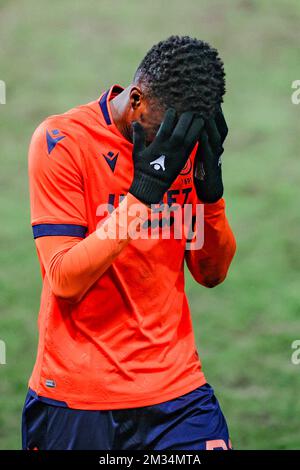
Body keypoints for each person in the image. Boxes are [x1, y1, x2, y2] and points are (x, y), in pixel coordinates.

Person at [22, 35, 236, 450]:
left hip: (178, 394)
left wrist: (211, 198)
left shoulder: (184, 146)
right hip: (78, 398)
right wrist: (144, 193)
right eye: (161, 131)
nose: (172, 147)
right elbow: (64, 279)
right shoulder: (61, 141)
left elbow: (210, 274)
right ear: (135, 100)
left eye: (185, 137)